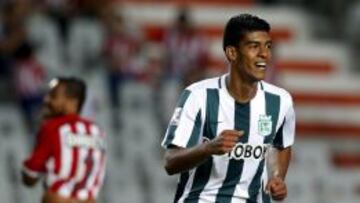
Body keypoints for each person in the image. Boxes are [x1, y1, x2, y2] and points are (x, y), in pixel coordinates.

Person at [161, 14, 295, 203]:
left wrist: (277, 176)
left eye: (268, 46)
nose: (265, 54)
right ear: (232, 53)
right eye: (254, 46)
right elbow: (170, 162)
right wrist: (208, 148)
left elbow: (281, 145)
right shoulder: (198, 96)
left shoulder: (281, 101)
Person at [22, 77, 106, 203]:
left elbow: (31, 174)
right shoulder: (97, 131)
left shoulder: (54, 128)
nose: (47, 100)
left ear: (72, 102)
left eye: (53, 96)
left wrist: (27, 174)